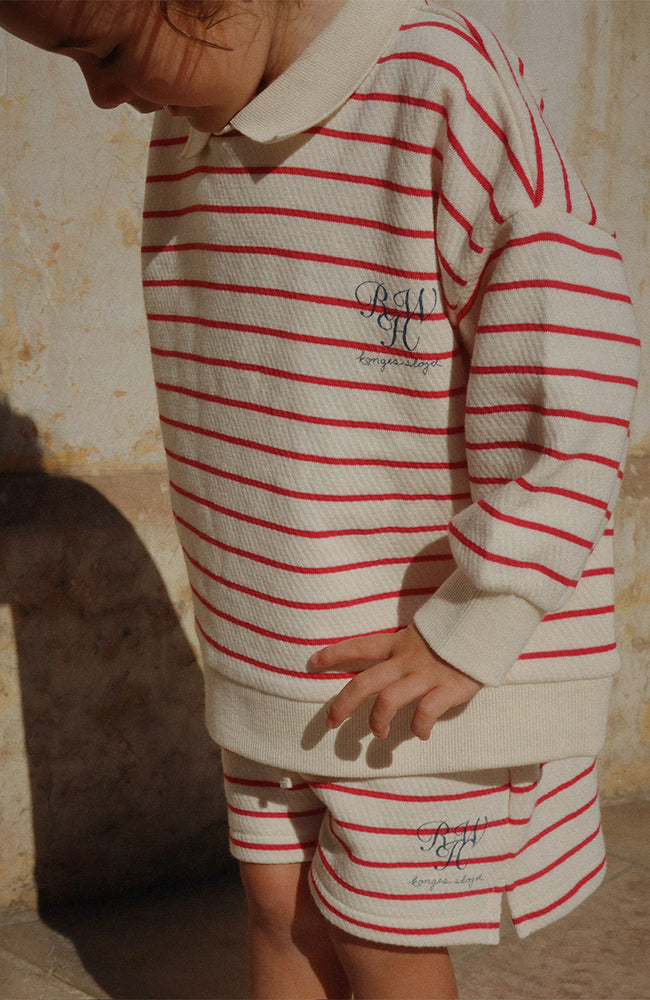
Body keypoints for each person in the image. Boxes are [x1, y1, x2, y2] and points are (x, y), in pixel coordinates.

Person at [0, 2, 640, 997]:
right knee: (277, 908)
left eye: (110, 51)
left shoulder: (437, 87)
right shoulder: (192, 124)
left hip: (417, 663)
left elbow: (571, 374)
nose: (103, 95)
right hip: (273, 650)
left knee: (382, 938)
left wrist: (475, 621)